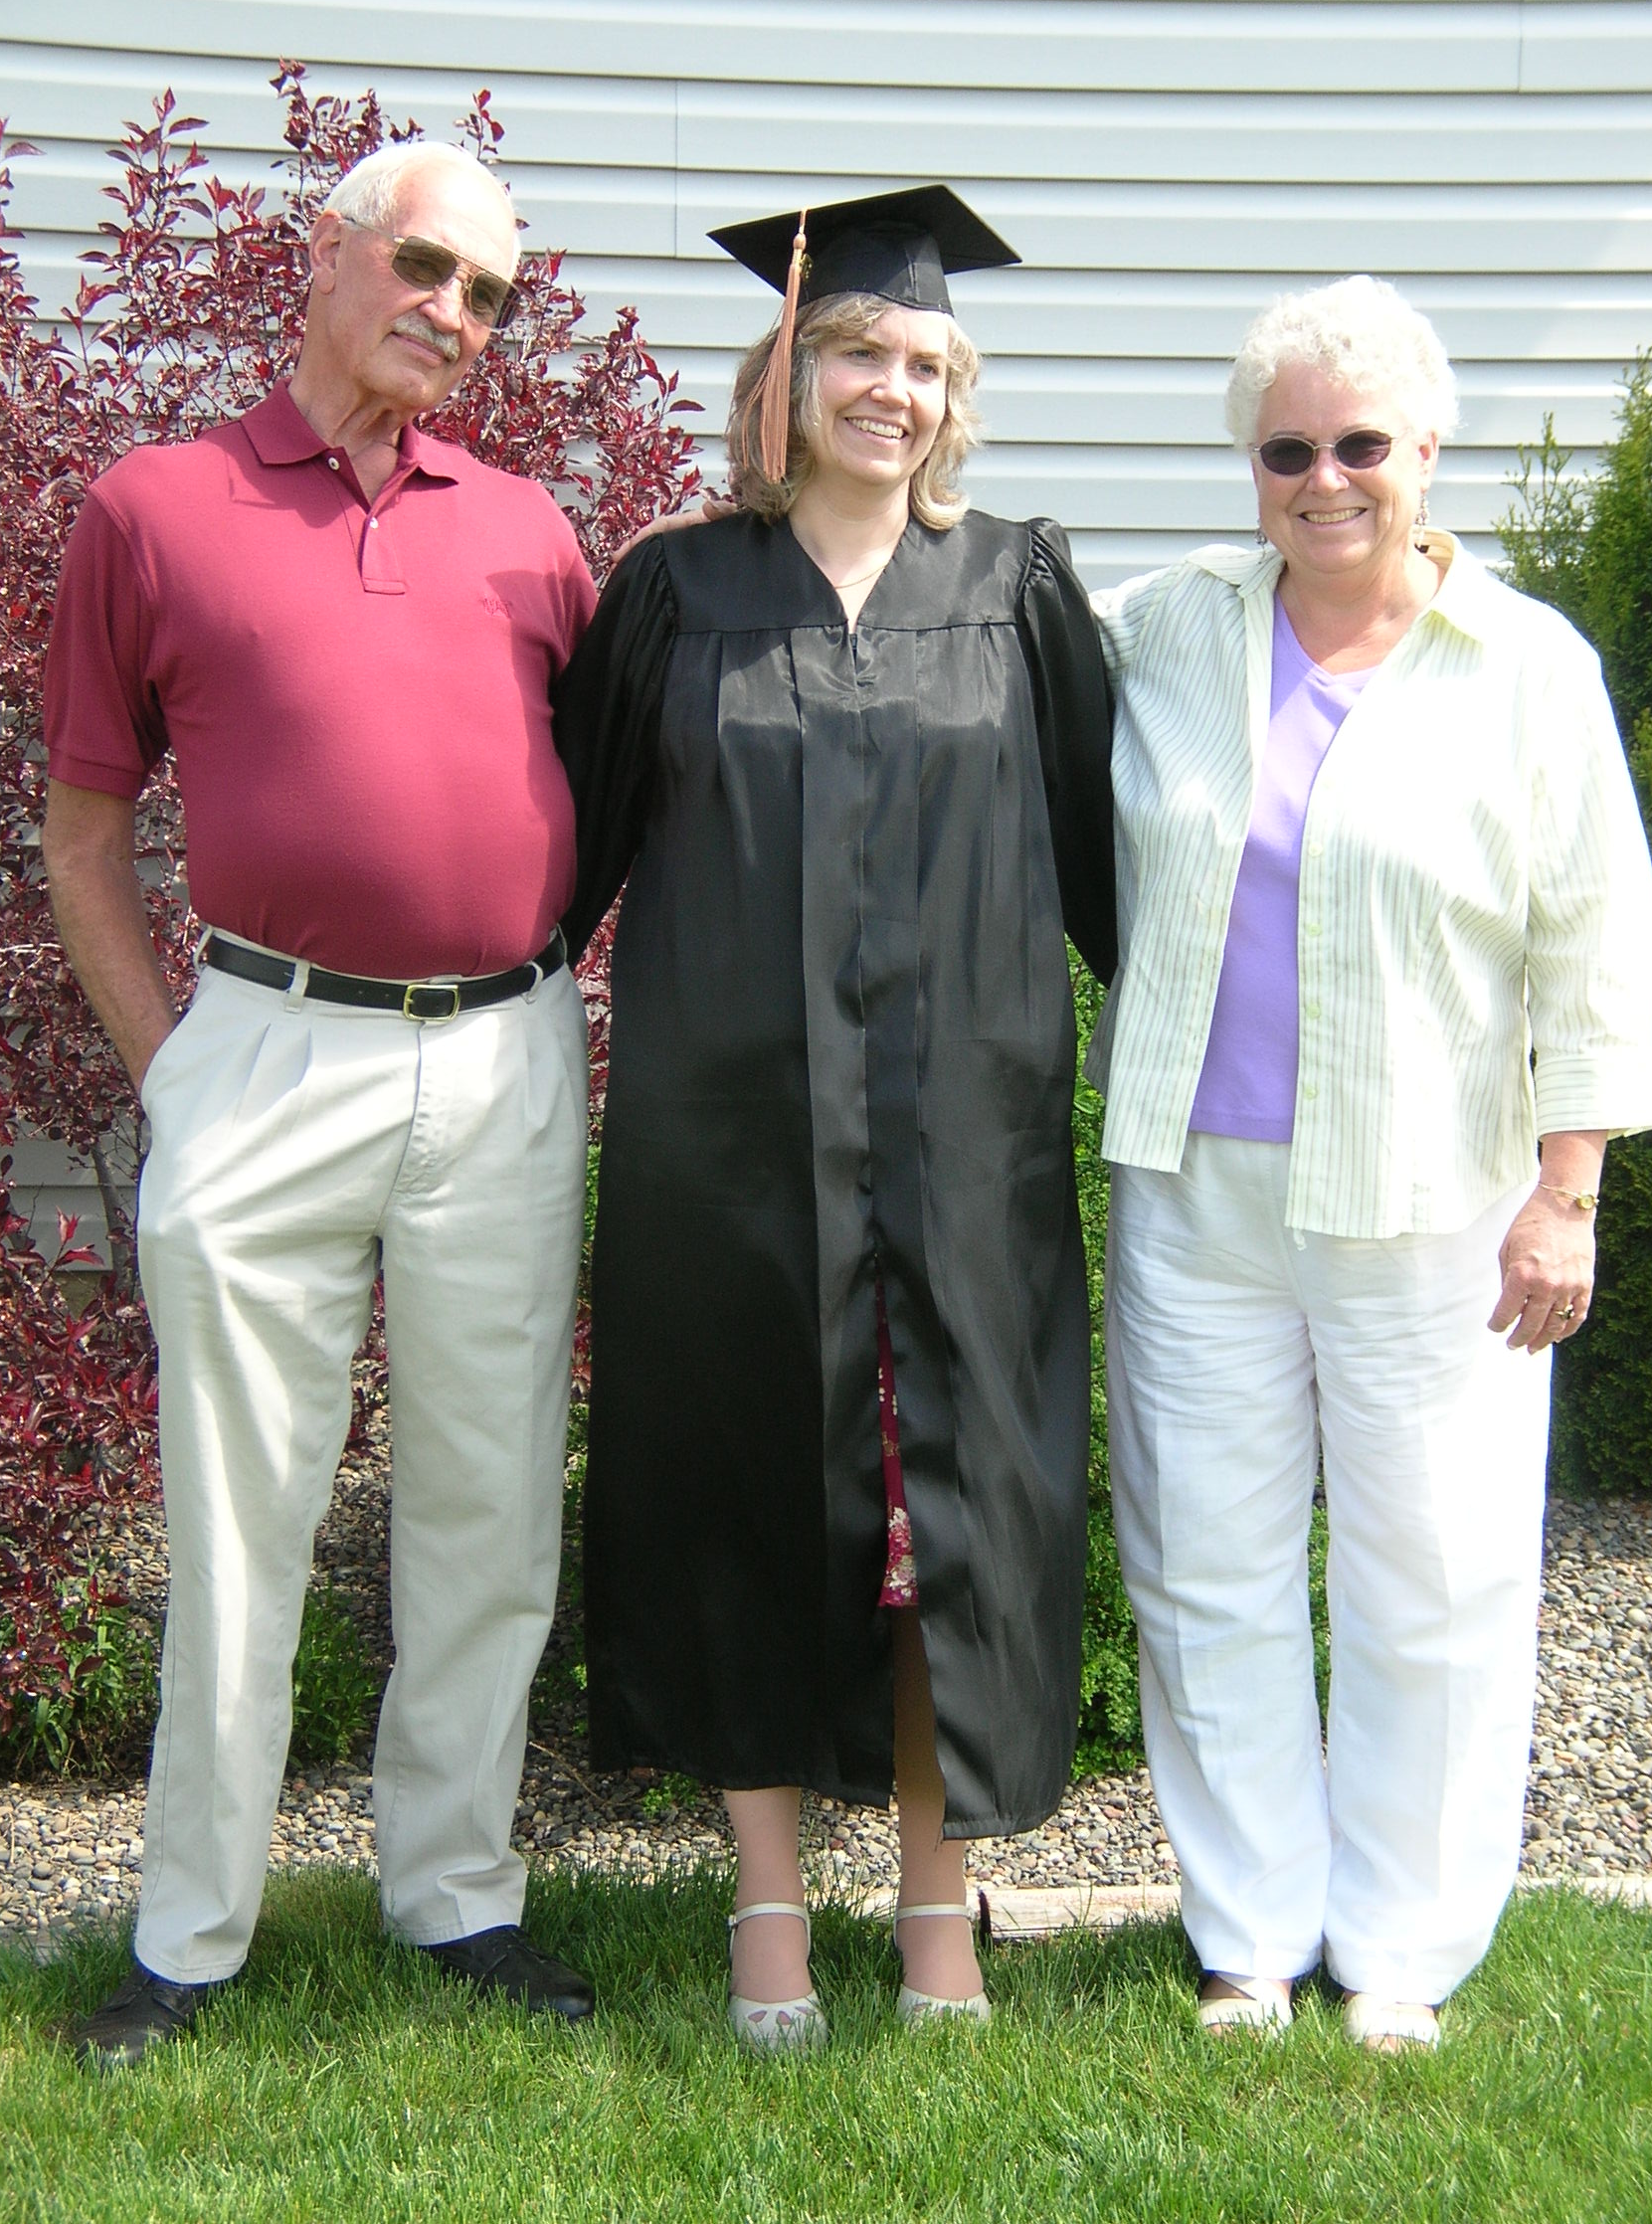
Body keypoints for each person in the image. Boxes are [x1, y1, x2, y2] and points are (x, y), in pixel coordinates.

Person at [42, 139, 600, 2066]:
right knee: (237, 1511)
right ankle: (190, 1931)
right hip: (263, 1055)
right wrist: (174, 1071)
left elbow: (605, 779)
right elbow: (83, 835)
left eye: (490, 293)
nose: (455, 312)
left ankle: (456, 1890)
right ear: (330, 254)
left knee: (488, 1502)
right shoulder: (153, 509)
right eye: (426, 266)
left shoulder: (528, 530)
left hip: (505, 1057)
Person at [551, 185, 1117, 2046]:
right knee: (746, 1491)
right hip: (727, 1149)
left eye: (927, 363)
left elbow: (1119, 873)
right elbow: (559, 860)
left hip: (969, 1148)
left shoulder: (1018, 586)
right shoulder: (674, 591)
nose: (893, 387)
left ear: (958, 398)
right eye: (860, 350)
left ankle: (939, 1899)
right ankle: (770, 1903)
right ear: (786, 373)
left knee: (953, 1521)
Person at [1088, 275, 1652, 2050]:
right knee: (1207, 1566)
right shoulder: (1165, 629)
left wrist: (1568, 1192)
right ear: (1247, 467)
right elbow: (960, 642)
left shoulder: (1527, 667)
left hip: (1438, 1200)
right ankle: (1249, 1932)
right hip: (1196, 1190)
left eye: (1360, 445)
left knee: (1439, 1577)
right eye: (1286, 451)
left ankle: (1402, 1947)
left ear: (1427, 450)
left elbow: (1597, 944)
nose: (1323, 480)